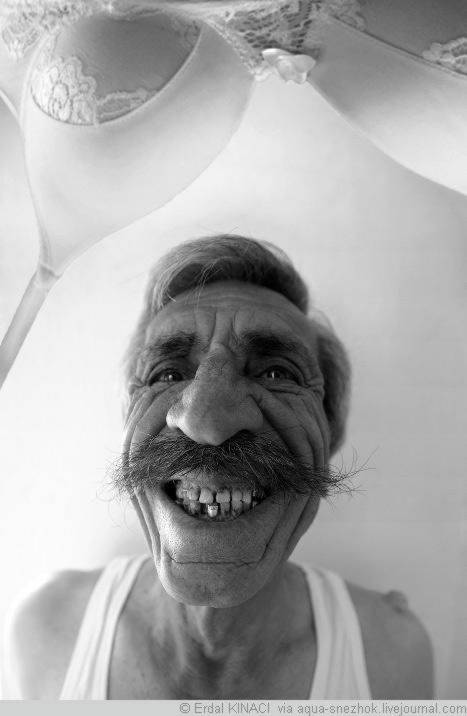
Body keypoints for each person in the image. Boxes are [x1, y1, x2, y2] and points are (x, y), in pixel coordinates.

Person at [2, 235, 434, 700]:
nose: (206, 423)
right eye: (168, 374)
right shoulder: (45, 630)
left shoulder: (393, 654)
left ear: (329, 434)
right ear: (128, 424)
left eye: (276, 373)